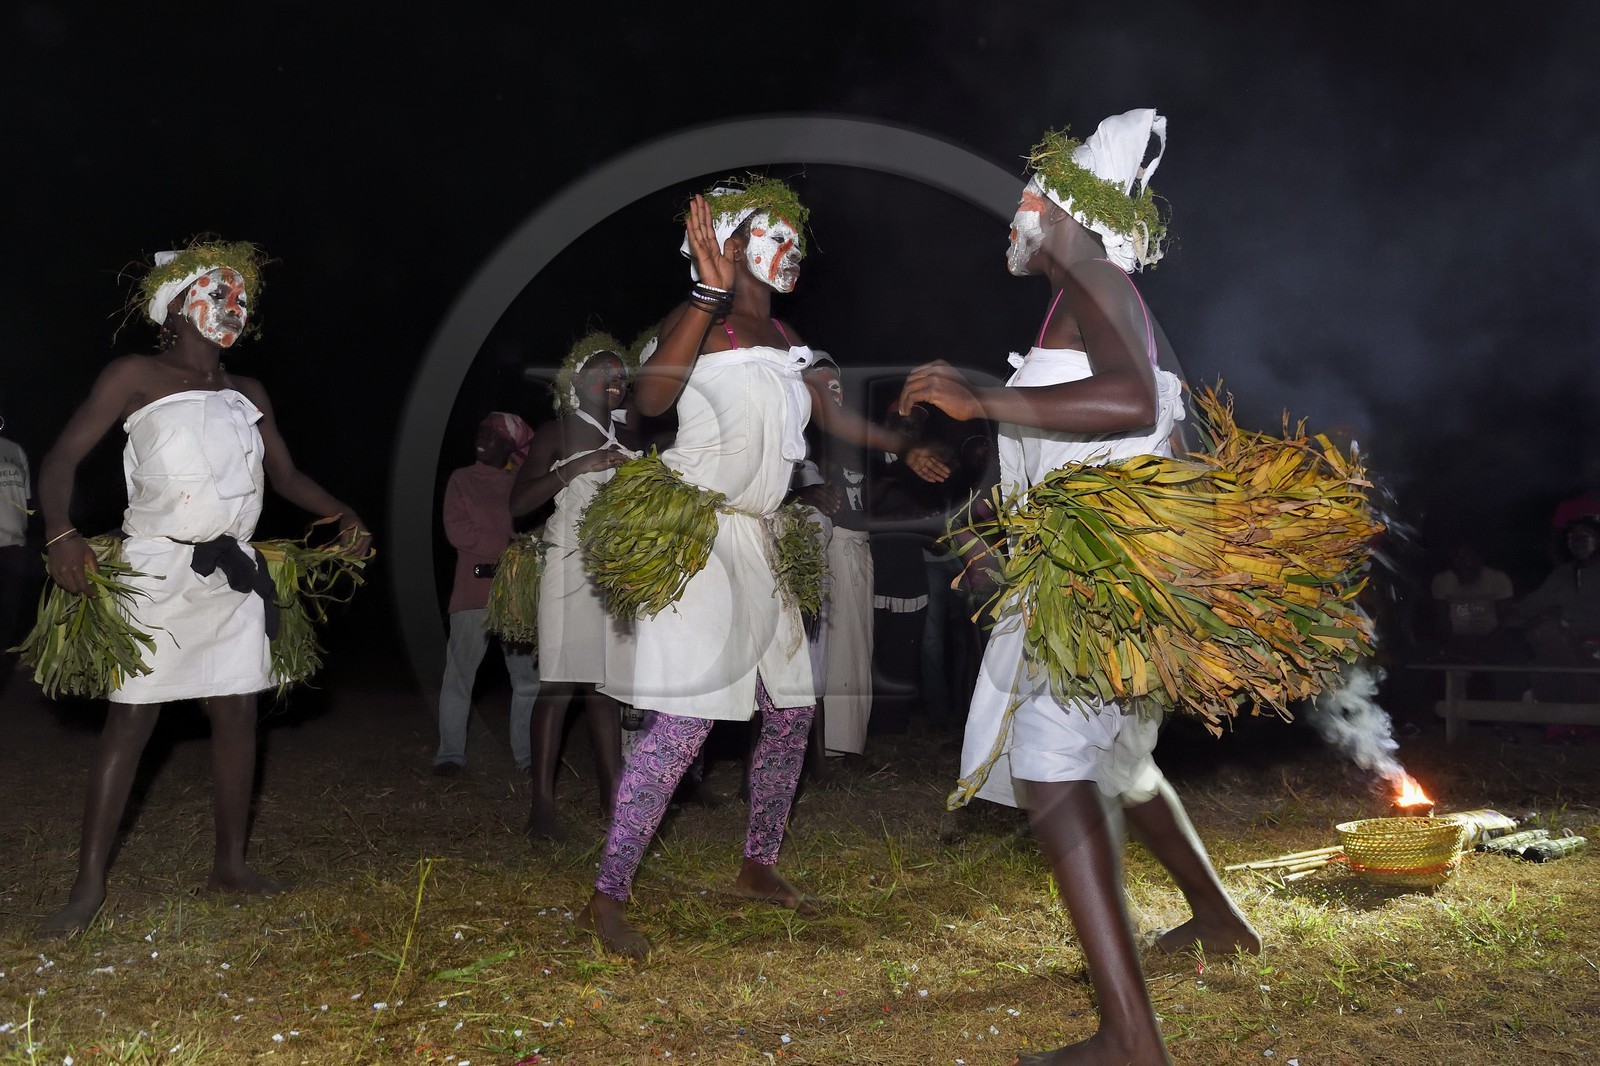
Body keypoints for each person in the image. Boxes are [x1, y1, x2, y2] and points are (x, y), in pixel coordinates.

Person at [898, 111, 1258, 1066]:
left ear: (1065, 210)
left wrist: (982, 398)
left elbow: (1134, 400)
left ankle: (1130, 1038)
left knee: (1055, 764)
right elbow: (1137, 436)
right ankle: (1219, 919)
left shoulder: (1096, 278)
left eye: (1027, 196)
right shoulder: (1080, 299)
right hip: (1112, 562)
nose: (1013, 212)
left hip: (1110, 571)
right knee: (1124, 764)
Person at [574, 180, 937, 960]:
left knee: (791, 708)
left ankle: (758, 864)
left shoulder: (781, 329)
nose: (793, 249)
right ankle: (608, 892)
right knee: (685, 722)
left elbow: (830, 416)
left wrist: (902, 445)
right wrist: (704, 294)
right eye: (777, 235)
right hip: (700, 538)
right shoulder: (698, 318)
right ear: (731, 245)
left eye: (798, 239)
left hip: (767, 540)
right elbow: (646, 404)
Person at [36, 240, 369, 938]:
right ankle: (88, 885)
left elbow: (285, 478)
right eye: (218, 294)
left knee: (238, 714)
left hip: (235, 575)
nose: (234, 307)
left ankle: (230, 866)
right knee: (132, 717)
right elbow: (63, 456)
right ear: (177, 306)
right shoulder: (135, 375)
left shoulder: (248, 393)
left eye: (241, 296)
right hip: (157, 568)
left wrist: (343, 514)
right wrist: (61, 531)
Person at [508, 334, 635, 838]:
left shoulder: (627, 439)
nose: (616, 383)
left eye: (622, 376)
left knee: (604, 688)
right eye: (605, 373)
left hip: (612, 570)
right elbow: (518, 505)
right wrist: (578, 466)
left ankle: (613, 797)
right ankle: (541, 804)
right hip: (568, 564)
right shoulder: (557, 431)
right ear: (578, 382)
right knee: (559, 683)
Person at [433, 411, 541, 777]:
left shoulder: (522, 486)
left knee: (527, 680)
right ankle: (450, 754)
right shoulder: (461, 480)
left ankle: (526, 756)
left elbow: (537, 530)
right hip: (473, 591)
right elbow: (457, 531)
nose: (481, 437)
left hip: (516, 596)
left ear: (510, 446)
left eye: (492, 434)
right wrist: (509, 546)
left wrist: (526, 544)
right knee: (459, 676)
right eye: (480, 430)